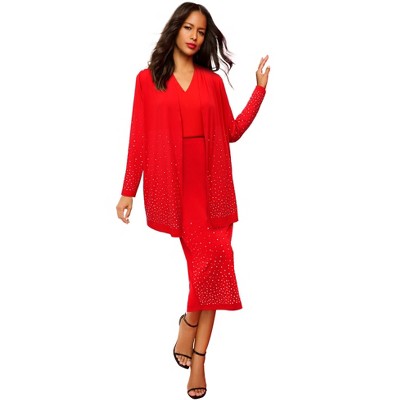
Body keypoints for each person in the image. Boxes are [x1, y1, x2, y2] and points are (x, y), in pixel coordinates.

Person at [116, 2, 270, 398]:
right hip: (175, 187)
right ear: (175, 29)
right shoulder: (147, 80)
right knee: (205, 268)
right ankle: (189, 327)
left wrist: (259, 91)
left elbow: (231, 131)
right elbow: (139, 138)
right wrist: (128, 190)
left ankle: (197, 355)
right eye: (189, 28)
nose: (195, 37)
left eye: (201, 31)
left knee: (217, 264)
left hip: (213, 186)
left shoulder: (212, 83)